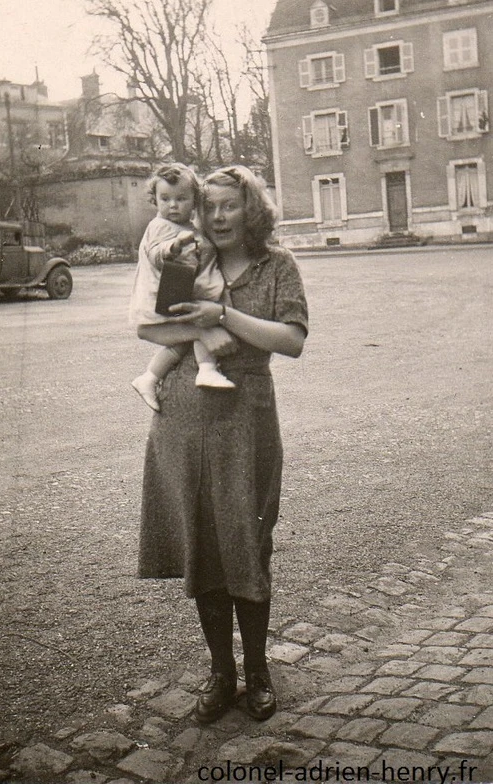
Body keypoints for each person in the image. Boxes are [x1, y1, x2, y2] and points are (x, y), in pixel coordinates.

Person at [135, 165, 308, 723]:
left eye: (229, 205)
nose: (217, 216)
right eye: (208, 206)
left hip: (248, 410)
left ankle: (257, 671)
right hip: (186, 409)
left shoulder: (276, 264)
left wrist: (221, 316)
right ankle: (221, 672)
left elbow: (292, 340)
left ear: (251, 209)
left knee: (248, 540)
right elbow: (151, 325)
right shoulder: (185, 254)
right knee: (202, 542)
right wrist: (190, 331)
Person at [130, 162, 234, 412]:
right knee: (201, 325)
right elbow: (156, 254)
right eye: (165, 199)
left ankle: (150, 377)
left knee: (181, 342)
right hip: (165, 296)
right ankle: (207, 369)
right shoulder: (160, 226)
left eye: (181, 198)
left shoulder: (187, 227)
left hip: (175, 292)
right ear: (155, 200)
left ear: (194, 200)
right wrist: (174, 246)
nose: (173, 205)